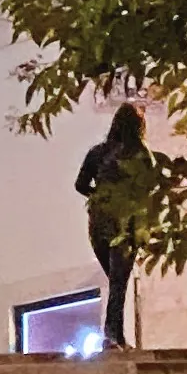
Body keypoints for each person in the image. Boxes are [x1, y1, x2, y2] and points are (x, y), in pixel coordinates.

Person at [76, 103, 147, 355]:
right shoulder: (140, 155)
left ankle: (117, 334)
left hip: (98, 224)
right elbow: (147, 191)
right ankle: (111, 334)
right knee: (119, 281)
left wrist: (100, 196)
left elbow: (80, 184)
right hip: (124, 225)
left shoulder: (97, 152)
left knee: (117, 280)